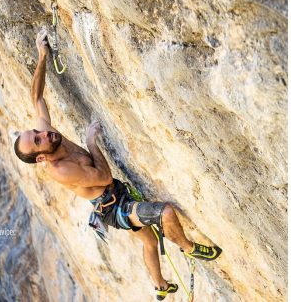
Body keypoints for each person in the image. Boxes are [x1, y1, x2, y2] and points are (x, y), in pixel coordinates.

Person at [14, 29, 222, 301]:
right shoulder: (60, 169)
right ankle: (187, 247)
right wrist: (91, 142)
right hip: (115, 207)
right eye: (38, 140)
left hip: (112, 196)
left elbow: (37, 98)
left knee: (148, 241)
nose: (45, 134)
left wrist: (42, 56)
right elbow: (103, 175)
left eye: (37, 133)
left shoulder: (47, 137)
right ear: (41, 157)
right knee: (167, 214)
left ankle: (160, 287)